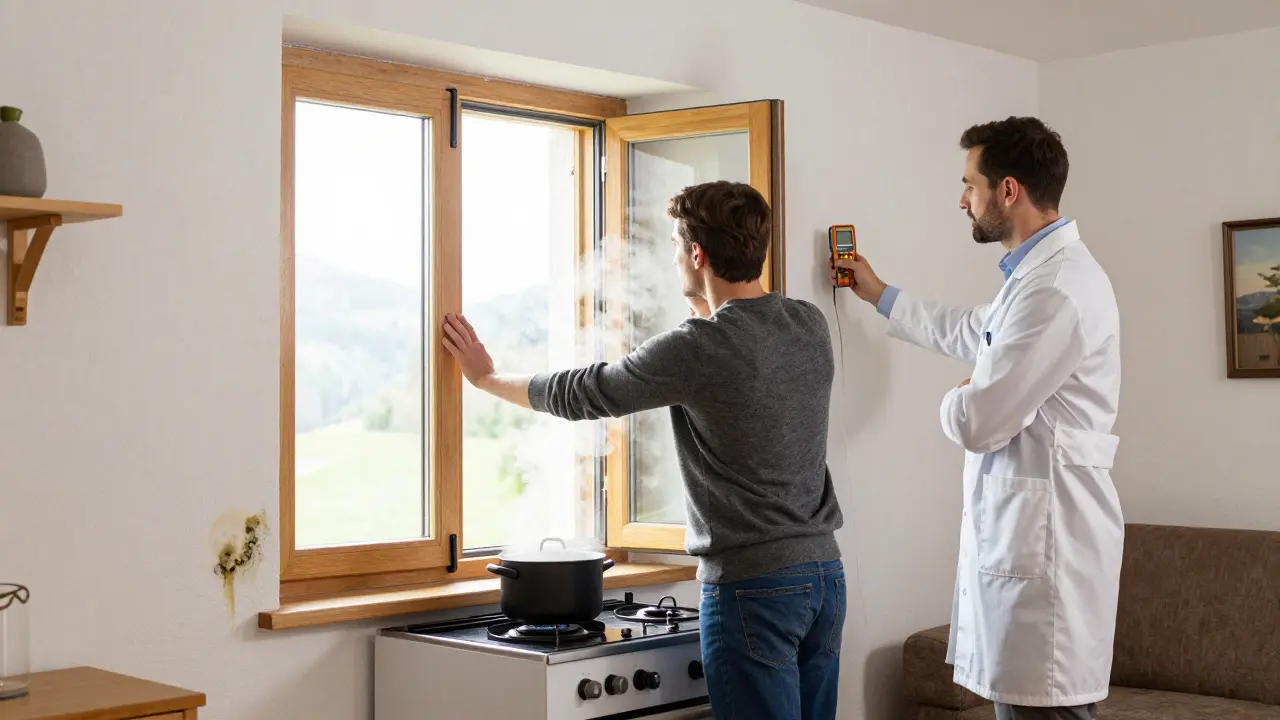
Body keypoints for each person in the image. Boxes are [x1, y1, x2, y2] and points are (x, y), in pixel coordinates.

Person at [443, 180, 846, 720]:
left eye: (677, 246)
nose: (674, 258)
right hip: (824, 577)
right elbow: (749, 376)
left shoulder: (699, 347)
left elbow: (589, 391)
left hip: (752, 587)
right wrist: (705, 303)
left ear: (697, 255)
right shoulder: (807, 323)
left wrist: (487, 379)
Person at [834, 117, 1123, 720]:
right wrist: (881, 294)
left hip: (1048, 575)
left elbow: (980, 422)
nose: (962, 199)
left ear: (1008, 190)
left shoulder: (1055, 289)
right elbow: (976, 331)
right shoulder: (1037, 278)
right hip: (1031, 562)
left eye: (970, 184)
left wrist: (958, 396)